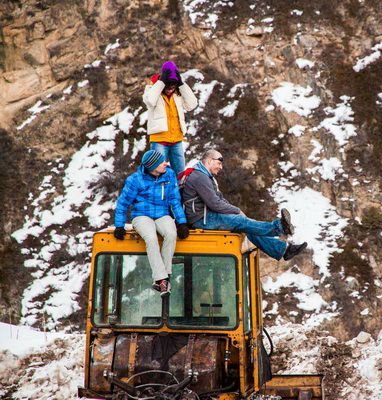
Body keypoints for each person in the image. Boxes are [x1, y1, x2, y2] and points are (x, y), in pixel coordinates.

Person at [181, 149, 307, 261]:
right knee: (240, 221)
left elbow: (220, 199)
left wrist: (235, 210)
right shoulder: (200, 177)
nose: (221, 167)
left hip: (207, 215)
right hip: (200, 219)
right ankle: (279, 227)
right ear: (209, 161)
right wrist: (236, 211)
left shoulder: (207, 177)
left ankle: (284, 250)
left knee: (246, 226)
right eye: (219, 163)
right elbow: (214, 204)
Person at [113, 149, 190, 296]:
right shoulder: (135, 180)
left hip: (162, 213)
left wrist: (181, 222)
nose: (165, 164)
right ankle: (161, 278)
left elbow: (174, 200)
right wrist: (119, 225)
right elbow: (123, 203)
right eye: (161, 162)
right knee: (151, 238)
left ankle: (164, 276)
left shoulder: (169, 175)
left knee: (171, 234)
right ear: (152, 165)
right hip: (141, 215)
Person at [143, 60, 198, 176]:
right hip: (159, 140)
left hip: (176, 140)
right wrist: (161, 82)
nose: (170, 89)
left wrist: (182, 84)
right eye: (167, 86)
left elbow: (192, 104)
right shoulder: (151, 90)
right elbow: (150, 101)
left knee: (181, 175)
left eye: (173, 86)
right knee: (156, 174)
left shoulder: (177, 94)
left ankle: (178, 194)